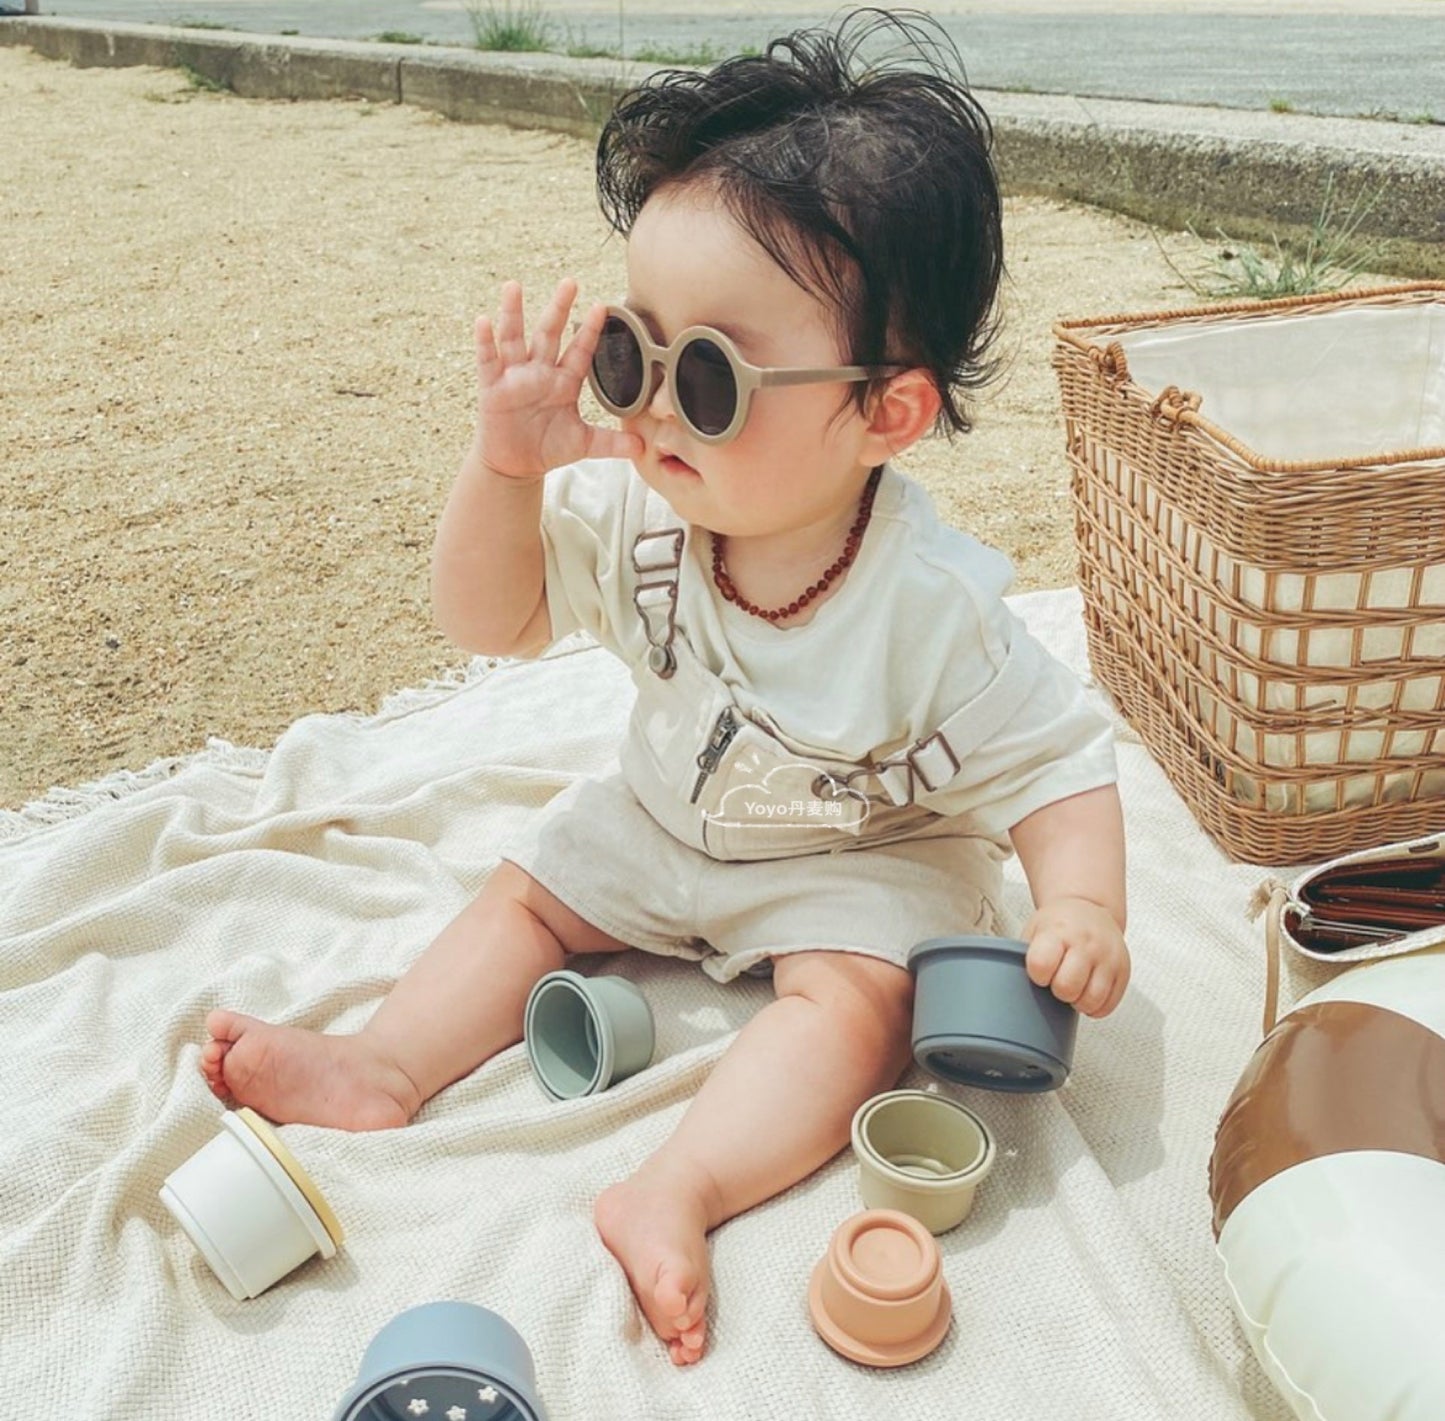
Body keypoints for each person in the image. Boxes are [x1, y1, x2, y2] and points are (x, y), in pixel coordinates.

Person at [200, 8, 1129, 1368]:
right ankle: (384, 1062)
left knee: (858, 1005)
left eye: (710, 378)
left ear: (884, 412)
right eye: (635, 350)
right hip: (662, 820)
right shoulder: (640, 509)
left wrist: (1083, 906)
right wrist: (505, 470)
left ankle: (675, 1186)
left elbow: (1058, 764)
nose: (645, 415)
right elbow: (491, 617)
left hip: (847, 852)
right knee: (530, 887)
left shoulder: (927, 610)